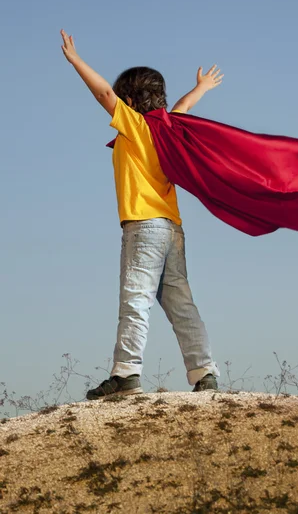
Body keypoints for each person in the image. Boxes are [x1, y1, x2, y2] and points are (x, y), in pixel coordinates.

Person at [60, 29, 222, 398]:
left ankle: (126, 374)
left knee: (135, 298)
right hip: (173, 230)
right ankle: (205, 373)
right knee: (181, 303)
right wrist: (202, 88)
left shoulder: (134, 126)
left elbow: (103, 93)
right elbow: (184, 108)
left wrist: (76, 61)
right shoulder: (168, 129)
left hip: (144, 227)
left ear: (129, 100)